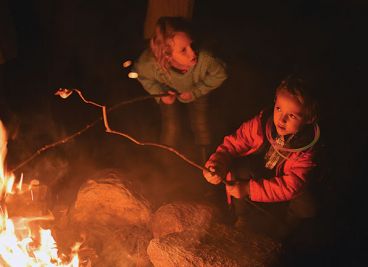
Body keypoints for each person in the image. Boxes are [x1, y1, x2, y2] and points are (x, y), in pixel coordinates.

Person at [202, 74, 321, 240]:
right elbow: (232, 145)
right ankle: (241, 217)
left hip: (280, 184)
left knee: (307, 207)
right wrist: (217, 164)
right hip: (256, 172)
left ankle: (286, 230)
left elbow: (292, 185)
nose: (281, 119)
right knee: (238, 169)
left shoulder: (306, 149)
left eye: (292, 115)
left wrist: (250, 189)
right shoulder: (261, 124)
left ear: (309, 118)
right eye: (279, 108)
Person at [134, 16, 227, 163]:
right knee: (171, 126)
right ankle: (165, 166)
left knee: (200, 123)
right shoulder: (151, 64)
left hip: (198, 88)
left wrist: (195, 92)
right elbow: (143, 76)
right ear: (167, 56)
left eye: (192, 45)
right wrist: (160, 93)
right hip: (168, 91)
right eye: (183, 50)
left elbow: (220, 74)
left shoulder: (206, 58)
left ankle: (207, 163)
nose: (192, 53)